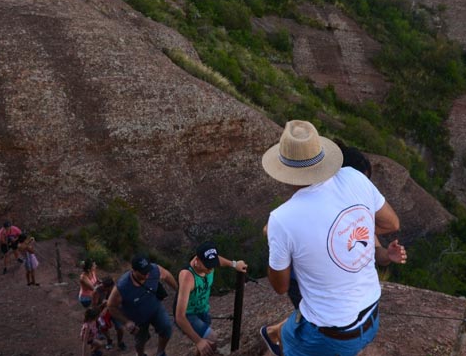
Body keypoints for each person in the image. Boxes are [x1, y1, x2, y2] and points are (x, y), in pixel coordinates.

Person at [261, 120, 405, 355]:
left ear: (284, 170)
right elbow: (391, 222)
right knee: (290, 330)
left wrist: (276, 246)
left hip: (330, 338)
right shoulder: (354, 177)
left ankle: (281, 336)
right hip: (372, 319)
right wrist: (345, 232)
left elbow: (280, 286)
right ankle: (281, 332)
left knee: (293, 338)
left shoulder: (281, 219)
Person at [174, 241, 248, 356]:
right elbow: (179, 316)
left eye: (213, 265)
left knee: (205, 344)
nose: (211, 269)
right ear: (197, 261)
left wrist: (234, 264)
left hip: (203, 310)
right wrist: (198, 341)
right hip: (189, 314)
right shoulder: (187, 276)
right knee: (211, 338)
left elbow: (219, 260)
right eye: (208, 266)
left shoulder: (208, 263)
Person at [106, 255, 179, 356]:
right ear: (134, 271)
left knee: (166, 328)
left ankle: (160, 352)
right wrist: (126, 322)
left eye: (148, 270)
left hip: (155, 308)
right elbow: (111, 306)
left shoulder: (154, 269)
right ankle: (140, 354)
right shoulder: (122, 287)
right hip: (137, 318)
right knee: (141, 340)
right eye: (143, 272)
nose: (147, 274)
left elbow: (166, 275)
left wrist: (178, 291)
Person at [93, 277, 126, 351]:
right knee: (104, 328)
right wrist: (102, 305)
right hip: (102, 314)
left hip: (114, 310)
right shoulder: (96, 291)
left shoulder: (115, 289)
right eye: (110, 288)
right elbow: (94, 308)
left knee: (120, 328)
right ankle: (109, 340)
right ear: (105, 287)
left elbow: (119, 303)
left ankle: (120, 342)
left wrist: (107, 306)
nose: (112, 289)